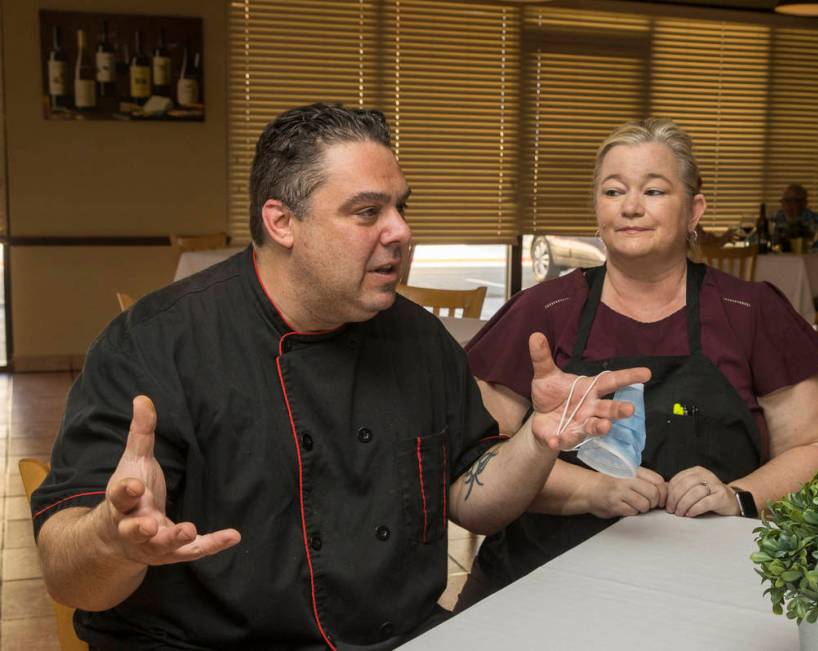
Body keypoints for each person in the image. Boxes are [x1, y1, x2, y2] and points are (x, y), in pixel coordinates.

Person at [30, 103, 649, 650]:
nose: (401, 231)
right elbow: (66, 571)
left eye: (400, 207)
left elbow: (472, 498)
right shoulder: (155, 345)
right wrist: (114, 541)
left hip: (396, 636)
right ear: (282, 222)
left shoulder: (420, 340)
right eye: (366, 212)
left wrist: (536, 441)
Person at [462, 118, 818, 600]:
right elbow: (479, 455)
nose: (632, 208)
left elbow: (814, 444)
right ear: (596, 209)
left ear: (694, 210)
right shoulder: (543, 311)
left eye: (655, 191)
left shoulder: (751, 312)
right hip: (541, 577)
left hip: (707, 579)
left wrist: (739, 496)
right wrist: (589, 490)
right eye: (614, 191)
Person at [772, 183, 818, 249]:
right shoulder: (776, 218)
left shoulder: (815, 219)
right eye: (785, 201)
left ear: (804, 203)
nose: (788, 205)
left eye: (794, 201)